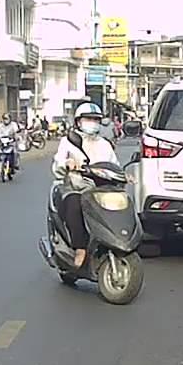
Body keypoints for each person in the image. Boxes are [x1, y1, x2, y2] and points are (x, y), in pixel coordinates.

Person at [52, 102, 118, 269]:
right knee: (74, 204)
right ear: (78, 122)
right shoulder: (68, 142)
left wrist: (125, 175)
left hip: (101, 189)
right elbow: (58, 164)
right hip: (76, 187)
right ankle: (79, 247)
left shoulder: (105, 144)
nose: (92, 122)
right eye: (88, 119)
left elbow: (114, 165)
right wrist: (67, 163)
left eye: (95, 119)